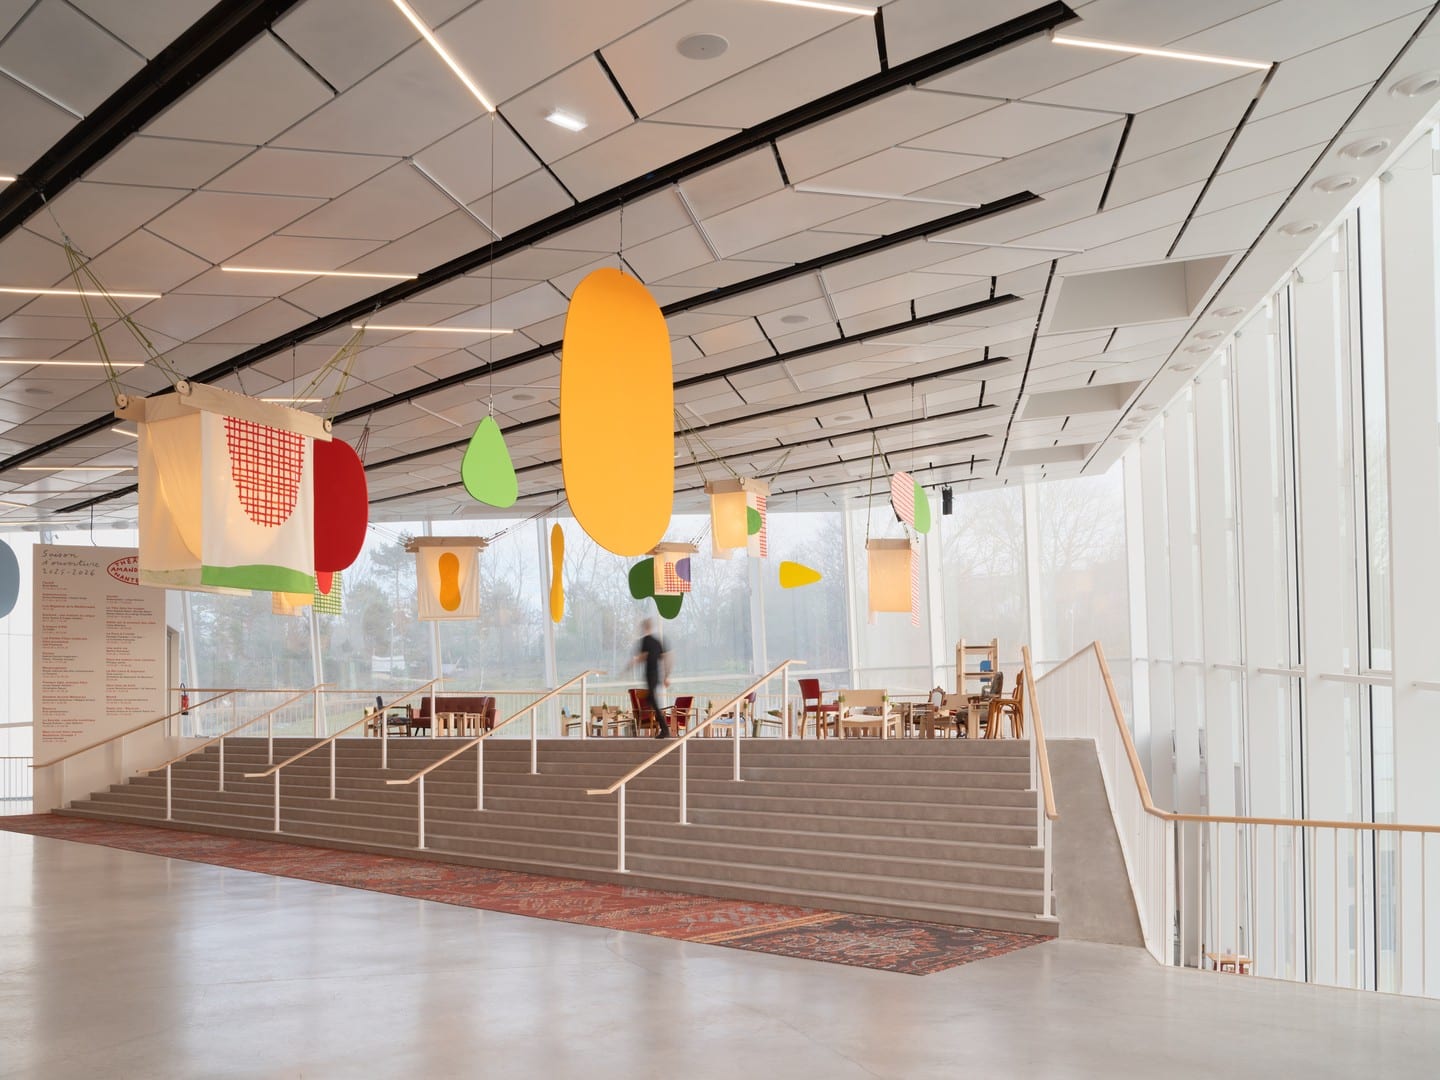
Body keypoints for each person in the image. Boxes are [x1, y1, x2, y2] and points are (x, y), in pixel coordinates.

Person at [633, 618, 672, 738]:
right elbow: (667, 658)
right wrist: (666, 676)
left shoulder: (645, 641)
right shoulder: (657, 641)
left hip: (650, 674)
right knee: (651, 699)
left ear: (645, 628)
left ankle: (665, 729)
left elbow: (642, 657)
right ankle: (664, 728)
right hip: (656, 675)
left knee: (652, 700)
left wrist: (630, 665)